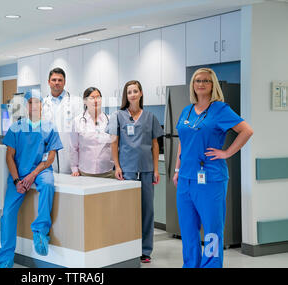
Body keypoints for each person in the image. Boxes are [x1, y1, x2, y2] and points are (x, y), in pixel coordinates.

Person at [173, 68, 253, 268]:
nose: (201, 84)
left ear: (212, 85)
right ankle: (190, 265)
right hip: (185, 179)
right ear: (193, 84)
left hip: (210, 179)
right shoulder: (187, 110)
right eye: (197, 80)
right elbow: (183, 142)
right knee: (189, 231)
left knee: (211, 231)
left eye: (206, 81)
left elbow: (246, 130)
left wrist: (226, 153)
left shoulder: (220, 109)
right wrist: (176, 170)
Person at [0, 90, 63, 268]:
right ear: (26, 106)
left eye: (37, 102)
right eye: (30, 103)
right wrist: (18, 180)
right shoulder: (16, 127)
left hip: (41, 171)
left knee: (48, 185)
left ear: (42, 105)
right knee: (8, 214)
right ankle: (5, 260)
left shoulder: (49, 127)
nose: (34, 106)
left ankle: (40, 231)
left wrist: (33, 175)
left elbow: (50, 158)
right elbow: (9, 156)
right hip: (19, 173)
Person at [106, 80, 163, 264]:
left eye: (135, 91)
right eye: (129, 92)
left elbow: (155, 145)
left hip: (146, 170)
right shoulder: (118, 116)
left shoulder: (150, 117)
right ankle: (127, 249)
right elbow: (113, 143)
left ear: (140, 93)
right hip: (127, 170)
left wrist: (156, 169)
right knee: (127, 211)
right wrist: (117, 166)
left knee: (147, 211)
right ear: (126, 95)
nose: (132, 94)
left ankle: (145, 250)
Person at [42, 67, 82, 174]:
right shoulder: (42, 103)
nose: (57, 83)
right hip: (48, 149)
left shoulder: (76, 102)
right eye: (54, 80)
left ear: (64, 82)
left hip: (69, 149)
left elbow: (80, 129)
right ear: (48, 82)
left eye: (60, 80)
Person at [69, 87, 115, 178]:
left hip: (107, 170)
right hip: (85, 171)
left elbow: (115, 145)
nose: (96, 100)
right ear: (85, 101)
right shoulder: (77, 121)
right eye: (92, 98)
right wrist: (74, 168)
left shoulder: (110, 120)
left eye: (98, 97)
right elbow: (73, 147)